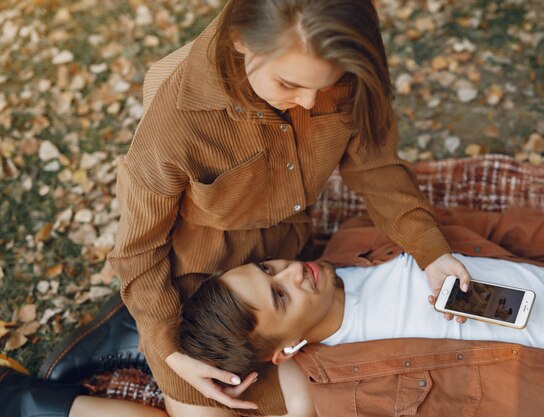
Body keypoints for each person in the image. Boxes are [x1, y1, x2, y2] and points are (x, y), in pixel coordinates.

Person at [107, 1, 471, 415]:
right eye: (289, 84)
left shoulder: (343, 46)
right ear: (240, 41)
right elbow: (137, 248)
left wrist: (430, 250)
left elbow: (376, 164)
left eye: (327, 85)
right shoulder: (174, 123)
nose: (312, 102)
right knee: (211, 399)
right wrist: (163, 341)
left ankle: (128, 329)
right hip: (199, 278)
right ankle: (124, 331)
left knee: (330, 390)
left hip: (289, 259)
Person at [178, 208, 544, 416]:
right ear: (285, 348)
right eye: (280, 297)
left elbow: (496, 228)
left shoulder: (364, 237)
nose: (294, 271)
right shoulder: (351, 398)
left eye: (268, 267)